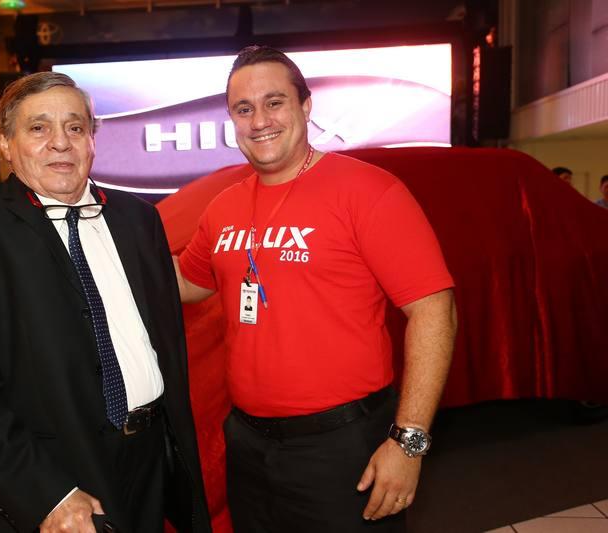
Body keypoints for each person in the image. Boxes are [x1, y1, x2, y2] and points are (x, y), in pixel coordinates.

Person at [174, 46, 457, 532]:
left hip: (343, 446)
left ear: (306, 106)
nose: (259, 120)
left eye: (274, 102)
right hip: (248, 445)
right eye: (244, 109)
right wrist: (105, 248)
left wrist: (408, 442)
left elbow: (435, 311)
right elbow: (186, 281)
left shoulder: (369, 191)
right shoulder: (223, 208)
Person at [0, 72, 210, 533]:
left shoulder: (138, 219)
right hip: (50, 475)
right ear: (4, 141)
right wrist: (47, 495)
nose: (60, 143)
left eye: (75, 127)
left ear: (92, 138)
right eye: (38, 128)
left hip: (149, 462)